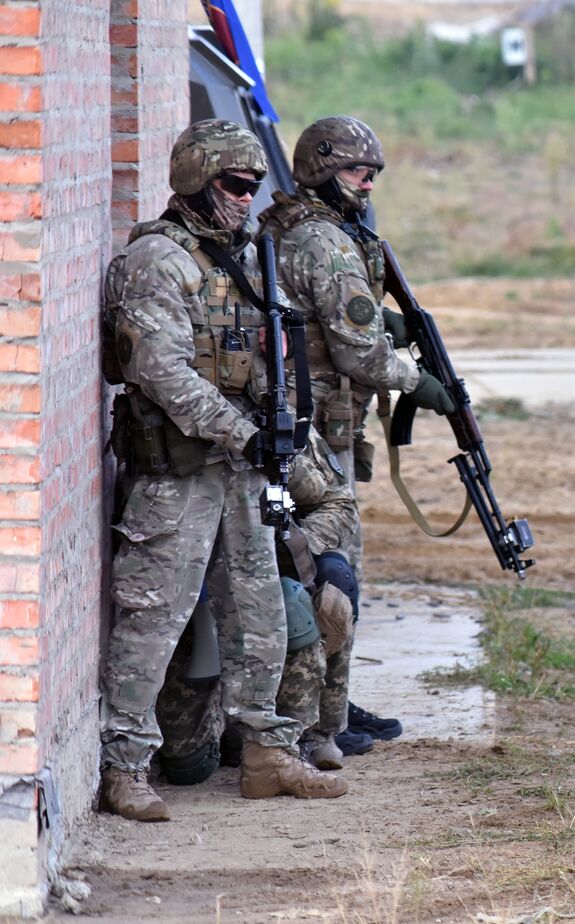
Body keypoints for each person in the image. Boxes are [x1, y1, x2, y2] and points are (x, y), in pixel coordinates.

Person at [99, 119, 347, 821]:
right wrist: (244, 431)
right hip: (177, 474)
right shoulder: (156, 263)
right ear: (196, 182)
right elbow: (161, 371)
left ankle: (266, 752)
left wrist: (274, 420)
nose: (247, 199)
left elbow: (257, 359)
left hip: (239, 469)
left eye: (253, 187)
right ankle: (125, 765)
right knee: (153, 622)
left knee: (260, 615)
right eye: (235, 185)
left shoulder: (235, 259)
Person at [258, 115, 435, 762]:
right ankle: (318, 717)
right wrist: (418, 378)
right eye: (359, 173)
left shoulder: (293, 227)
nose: (368, 186)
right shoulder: (327, 242)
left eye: (373, 175)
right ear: (323, 170)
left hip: (306, 422)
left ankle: (333, 700)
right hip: (315, 428)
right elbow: (361, 356)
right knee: (331, 573)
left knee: (321, 571)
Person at [153, 429, 360, 780]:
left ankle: (309, 733)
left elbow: (339, 503)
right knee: (189, 766)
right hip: (196, 591)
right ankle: (226, 730)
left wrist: (290, 547)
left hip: (264, 580)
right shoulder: (185, 422)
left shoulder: (279, 419)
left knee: (326, 582)